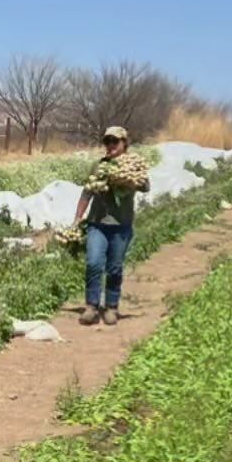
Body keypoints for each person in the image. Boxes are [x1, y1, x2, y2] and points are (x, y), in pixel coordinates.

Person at [73, 126, 150, 326]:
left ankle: (111, 307)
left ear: (124, 143)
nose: (110, 145)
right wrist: (77, 219)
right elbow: (86, 193)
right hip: (97, 224)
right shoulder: (98, 166)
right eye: (107, 142)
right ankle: (91, 306)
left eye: (115, 141)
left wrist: (127, 178)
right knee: (93, 263)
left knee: (114, 268)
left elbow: (145, 186)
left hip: (121, 226)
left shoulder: (133, 165)